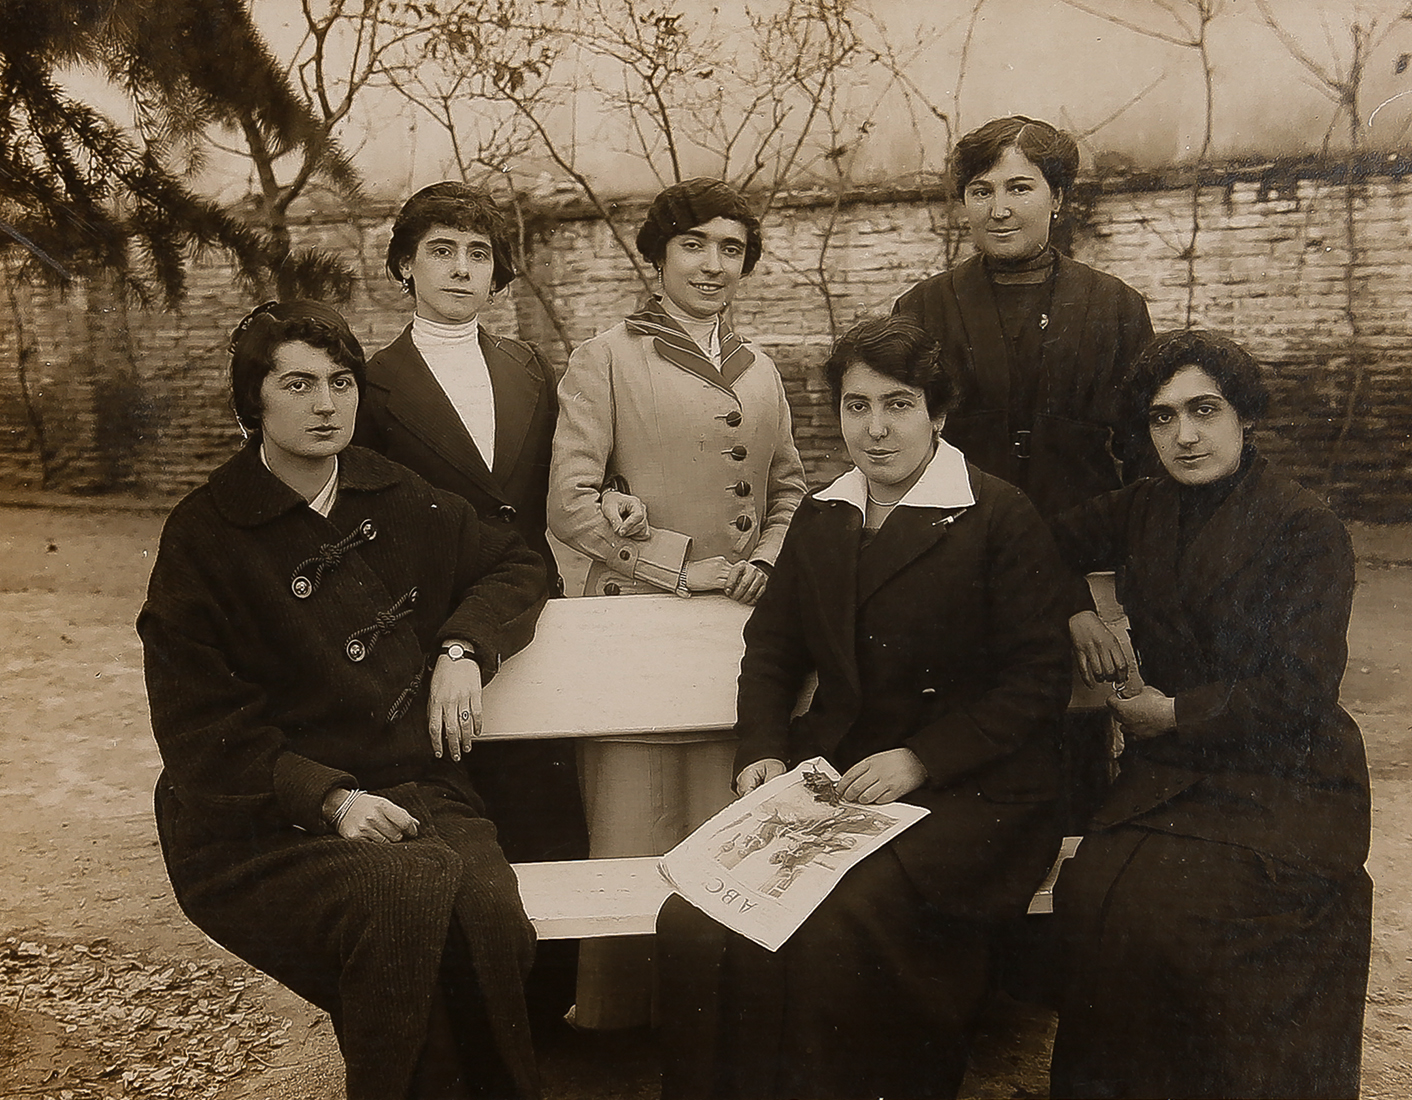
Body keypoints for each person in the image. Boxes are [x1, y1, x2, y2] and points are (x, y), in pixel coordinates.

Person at [138, 300, 549, 1100]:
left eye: (341, 382)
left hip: (417, 789)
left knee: (488, 913)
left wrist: (464, 648)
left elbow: (518, 564)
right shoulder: (204, 535)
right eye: (297, 384)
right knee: (402, 895)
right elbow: (198, 731)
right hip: (258, 818)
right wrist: (330, 799)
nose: (326, 404)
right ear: (252, 400)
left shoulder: (396, 494)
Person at [656, 315, 1070, 1100]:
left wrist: (922, 757)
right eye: (856, 407)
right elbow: (774, 653)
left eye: (899, 404)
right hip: (840, 782)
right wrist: (762, 752)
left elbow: (1037, 681)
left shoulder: (996, 515)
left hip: (973, 789)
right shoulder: (823, 515)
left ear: (938, 413)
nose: (875, 430)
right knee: (697, 916)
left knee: (838, 914)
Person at [1046, 330, 1373, 1098]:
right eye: (1163, 419)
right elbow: (1034, 543)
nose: (1184, 436)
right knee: (1096, 893)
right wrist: (1078, 615)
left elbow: (1300, 687)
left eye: (1204, 410)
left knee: (1192, 914)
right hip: (1175, 768)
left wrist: (1174, 712)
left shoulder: (1305, 525)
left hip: (1288, 773)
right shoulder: (1143, 506)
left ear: (1244, 416)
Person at [547, 178, 808, 1027]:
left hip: (739, 634)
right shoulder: (606, 357)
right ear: (655, 258)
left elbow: (790, 490)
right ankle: (622, 1017)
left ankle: (726, 1018)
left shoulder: (760, 370)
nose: (713, 263)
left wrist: (764, 561)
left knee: (728, 824)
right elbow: (571, 504)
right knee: (634, 825)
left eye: (732, 248)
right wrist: (682, 566)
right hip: (641, 629)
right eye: (694, 244)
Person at [353, 181, 586, 1028]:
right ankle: (477, 1022)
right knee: (463, 823)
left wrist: (617, 497)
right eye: (441, 250)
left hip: (534, 620)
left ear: (499, 273)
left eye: (478, 253)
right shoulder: (372, 386)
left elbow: (565, 479)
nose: (460, 268)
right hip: (430, 636)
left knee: (550, 811)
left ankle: (548, 1009)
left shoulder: (526, 366)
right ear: (403, 266)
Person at [894, 115, 1154, 520]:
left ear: (1057, 199)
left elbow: (1144, 448)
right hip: (958, 541)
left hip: (1084, 540)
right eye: (981, 191)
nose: (999, 210)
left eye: (1019, 188)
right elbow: (898, 440)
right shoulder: (923, 308)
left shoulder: (1116, 307)